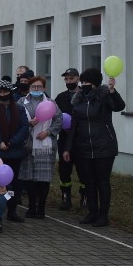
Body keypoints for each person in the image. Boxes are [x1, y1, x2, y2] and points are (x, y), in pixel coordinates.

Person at [62, 68, 125, 228]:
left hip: (104, 147)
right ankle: (92, 212)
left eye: (87, 82)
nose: (84, 85)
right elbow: (74, 126)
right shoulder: (78, 100)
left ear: (96, 84)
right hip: (83, 147)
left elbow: (119, 106)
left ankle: (103, 216)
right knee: (89, 182)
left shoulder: (104, 97)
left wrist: (112, 90)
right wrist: (67, 148)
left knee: (102, 181)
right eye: (82, 82)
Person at [0, 80, 30, 223]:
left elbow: (24, 128)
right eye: (0, 92)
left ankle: (12, 210)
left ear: (10, 93)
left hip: (14, 152)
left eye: (5, 92)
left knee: (13, 183)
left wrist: (11, 142)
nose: (2, 94)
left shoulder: (20, 109)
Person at [18, 76, 62, 219]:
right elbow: (17, 120)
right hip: (28, 145)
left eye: (39, 87)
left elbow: (59, 120)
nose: (36, 89)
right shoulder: (21, 102)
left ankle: (41, 208)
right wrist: (28, 123)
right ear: (29, 88)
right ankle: (31, 207)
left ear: (44, 88)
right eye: (33, 87)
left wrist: (48, 132)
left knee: (43, 179)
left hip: (46, 146)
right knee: (29, 178)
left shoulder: (51, 103)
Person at [55, 68, 82, 209]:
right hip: (65, 140)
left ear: (77, 79)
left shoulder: (85, 95)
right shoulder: (61, 97)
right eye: (66, 79)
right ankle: (66, 197)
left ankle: (85, 197)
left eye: (71, 79)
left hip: (81, 140)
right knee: (64, 170)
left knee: (83, 170)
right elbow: (56, 117)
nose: (68, 81)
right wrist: (62, 127)